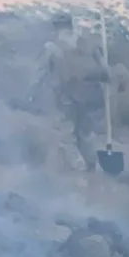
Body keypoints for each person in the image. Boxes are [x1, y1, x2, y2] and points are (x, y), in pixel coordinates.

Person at [36, 13, 109, 171]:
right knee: (85, 132)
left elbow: (41, 71)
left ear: (55, 26)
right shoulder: (88, 43)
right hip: (90, 94)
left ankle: (78, 168)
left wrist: (32, 93)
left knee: (67, 131)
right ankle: (92, 164)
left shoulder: (52, 46)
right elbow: (106, 72)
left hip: (66, 94)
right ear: (71, 24)